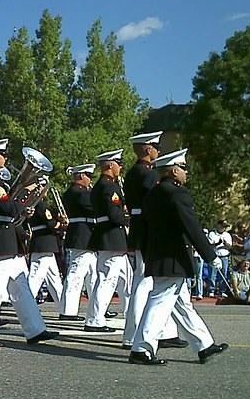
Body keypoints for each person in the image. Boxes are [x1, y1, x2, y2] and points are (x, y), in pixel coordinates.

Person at [129, 149, 228, 365]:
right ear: (174, 171)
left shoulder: (153, 194)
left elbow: (144, 228)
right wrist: (210, 255)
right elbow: (191, 226)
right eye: (184, 168)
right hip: (172, 257)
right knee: (160, 301)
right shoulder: (176, 193)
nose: (186, 173)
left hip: (159, 256)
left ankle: (204, 345)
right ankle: (141, 348)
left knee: (181, 304)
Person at [0, 138, 57, 346]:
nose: (5, 157)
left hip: (7, 235)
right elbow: (8, 209)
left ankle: (35, 329)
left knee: (20, 285)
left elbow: (10, 210)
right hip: (0, 235)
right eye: (2, 154)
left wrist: (23, 205)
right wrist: (25, 194)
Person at [121, 131, 184, 349]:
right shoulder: (148, 174)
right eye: (156, 148)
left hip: (139, 228)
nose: (158, 152)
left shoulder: (133, 172)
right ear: (148, 149)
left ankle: (162, 332)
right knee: (144, 281)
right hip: (146, 229)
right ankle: (134, 334)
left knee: (151, 282)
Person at [83, 149, 130, 333]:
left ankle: (131, 312)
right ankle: (94, 320)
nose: (120, 167)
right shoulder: (110, 186)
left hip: (107, 236)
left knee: (126, 280)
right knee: (107, 280)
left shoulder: (99, 185)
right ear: (111, 165)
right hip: (112, 236)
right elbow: (115, 215)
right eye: (118, 163)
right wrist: (128, 215)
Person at [58, 164, 97, 320]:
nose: (90, 179)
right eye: (88, 175)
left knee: (93, 276)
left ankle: (98, 308)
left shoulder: (74, 192)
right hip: (82, 236)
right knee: (76, 275)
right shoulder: (80, 193)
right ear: (81, 176)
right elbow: (95, 208)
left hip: (84, 235)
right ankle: (68, 311)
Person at [26, 189, 65, 306]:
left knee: (55, 279)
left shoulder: (32, 204)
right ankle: (26, 303)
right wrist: (61, 223)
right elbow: (50, 224)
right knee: (35, 277)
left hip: (44, 244)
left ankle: (64, 307)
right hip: (44, 244)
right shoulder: (41, 205)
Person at [206, 220, 232, 298]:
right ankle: (211, 290)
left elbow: (230, 246)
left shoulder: (227, 235)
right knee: (212, 274)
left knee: (223, 273)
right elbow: (209, 245)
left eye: (225, 227)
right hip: (215, 255)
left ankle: (222, 290)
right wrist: (217, 243)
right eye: (222, 226)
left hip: (224, 256)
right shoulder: (212, 234)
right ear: (218, 225)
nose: (223, 228)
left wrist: (225, 244)